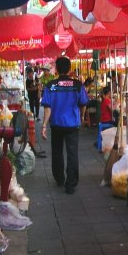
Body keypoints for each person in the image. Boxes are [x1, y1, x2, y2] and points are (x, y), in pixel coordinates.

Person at [41, 56, 89, 194]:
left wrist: (44, 125)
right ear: (69, 69)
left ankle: (59, 178)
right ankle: (71, 184)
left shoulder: (51, 86)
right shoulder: (77, 85)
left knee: (57, 152)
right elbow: (83, 104)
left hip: (56, 124)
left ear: (56, 69)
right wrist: (81, 115)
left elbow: (47, 108)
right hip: (72, 124)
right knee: (72, 153)